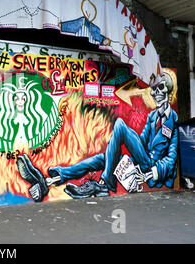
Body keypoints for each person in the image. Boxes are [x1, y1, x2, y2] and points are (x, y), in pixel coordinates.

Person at [45, 72, 178, 198]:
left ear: (168, 90)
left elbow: (171, 160)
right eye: (153, 89)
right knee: (102, 158)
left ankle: (104, 183)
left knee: (120, 124)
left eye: (160, 88)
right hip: (141, 163)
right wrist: (127, 160)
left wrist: (151, 173)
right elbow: (141, 143)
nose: (156, 93)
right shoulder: (152, 116)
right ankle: (62, 174)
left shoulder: (173, 120)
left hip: (150, 169)